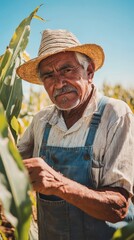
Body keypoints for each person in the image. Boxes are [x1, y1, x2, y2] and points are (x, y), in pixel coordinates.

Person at [17, 29, 134, 240]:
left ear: (89, 71)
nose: (59, 83)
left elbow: (118, 207)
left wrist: (58, 184)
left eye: (67, 70)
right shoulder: (41, 121)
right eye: (49, 76)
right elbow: (9, 167)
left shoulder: (115, 114)